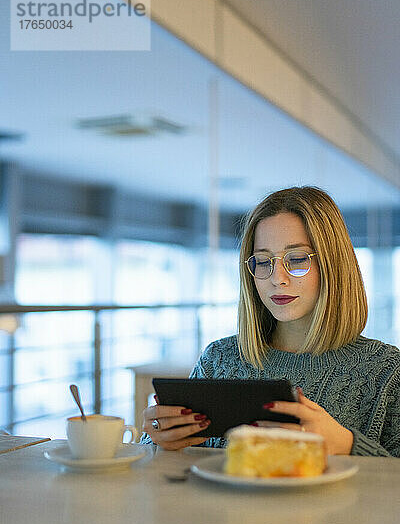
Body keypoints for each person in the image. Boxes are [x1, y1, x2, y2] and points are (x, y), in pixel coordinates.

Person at [141, 186, 400, 456]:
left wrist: (348, 445)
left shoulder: (388, 373)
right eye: (263, 262)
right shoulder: (218, 360)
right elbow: (169, 473)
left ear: (334, 265)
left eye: (297, 259)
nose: (277, 278)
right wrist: (160, 440)